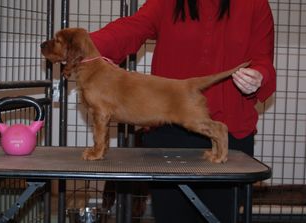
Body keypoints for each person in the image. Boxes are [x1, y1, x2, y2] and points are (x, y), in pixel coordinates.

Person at [90, 0, 276, 222]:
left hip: (231, 132)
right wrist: (85, 45)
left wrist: (258, 76)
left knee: (221, 216)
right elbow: (131, 27)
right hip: (169, 134)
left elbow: (262, 57)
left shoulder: (254, 4)